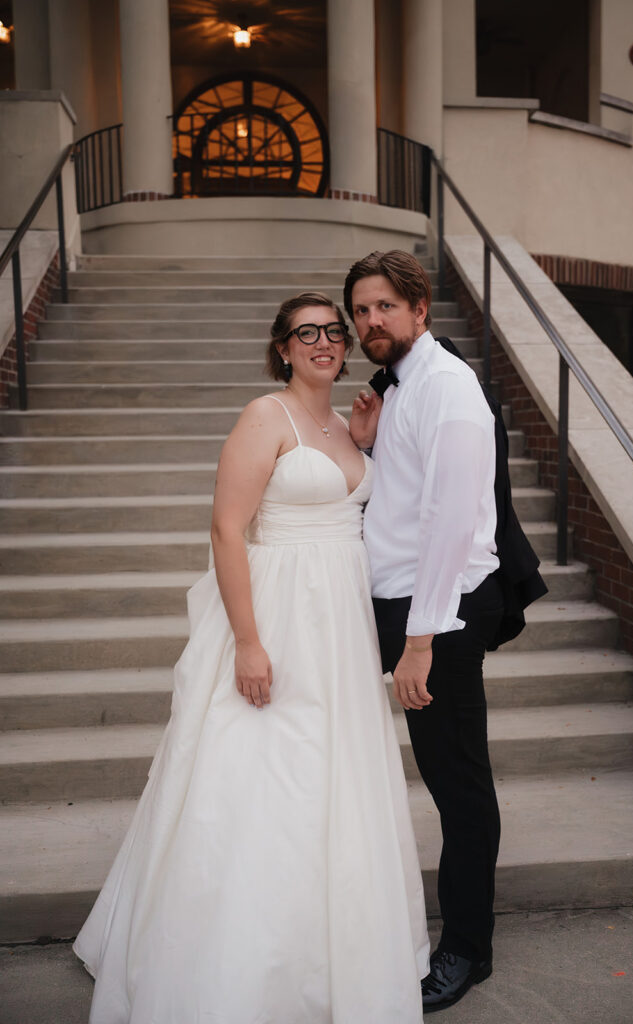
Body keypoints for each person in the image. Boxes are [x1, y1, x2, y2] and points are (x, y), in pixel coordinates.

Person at [73, 291, 429, 1023]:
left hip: (339, 627)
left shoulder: (342, 422)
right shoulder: (264, 416)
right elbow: (227, 529)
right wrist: (247, 642)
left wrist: (361, 445)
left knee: (332, 784)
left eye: (335, 330)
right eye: (308, 333)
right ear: (282, 347)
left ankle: (330, 956)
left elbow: (351, 512)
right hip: (279, 618)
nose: (326, 341)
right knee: (265, 780)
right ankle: (231, 967)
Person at [346, 251, 504, 1015]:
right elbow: (408, 500)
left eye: (384, 307)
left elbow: (449, 525)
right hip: (391, 603)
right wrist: (372, 445)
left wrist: (420, 642)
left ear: (419, 310)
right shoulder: (398, 391)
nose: (370, 322)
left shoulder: (448, 389)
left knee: (457, 783)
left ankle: (468, 947)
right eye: (361, 311)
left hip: (435, 616)